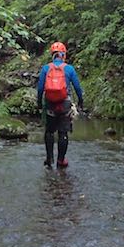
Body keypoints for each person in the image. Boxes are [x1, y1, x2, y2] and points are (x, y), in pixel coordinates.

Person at [37, 41, 84, 169]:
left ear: (52, 55)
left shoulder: (46, 68)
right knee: (63, 133)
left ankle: (49, 158)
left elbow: (40, 88)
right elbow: (77, 88)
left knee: (50, 132)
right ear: (63, 55)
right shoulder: (69, 68)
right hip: (65, 104)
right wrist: (80, 101)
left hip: (50, 104)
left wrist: (39, 103)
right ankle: (61, 160)